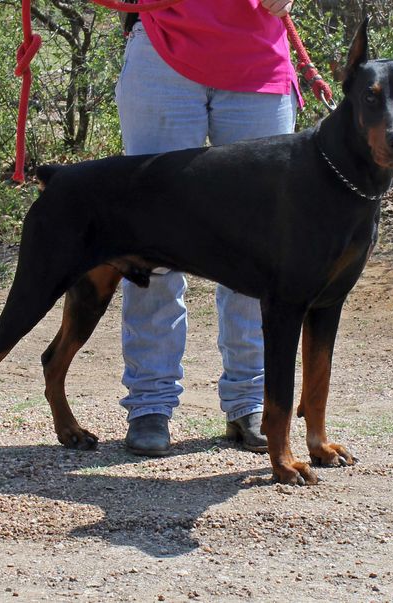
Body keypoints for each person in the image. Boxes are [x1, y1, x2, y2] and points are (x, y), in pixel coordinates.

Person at [115, 0, 300, 456]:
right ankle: (150, 404)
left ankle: (250, 401)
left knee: (258, 245)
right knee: (151, 238)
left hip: (257, 58)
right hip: (162, 52)